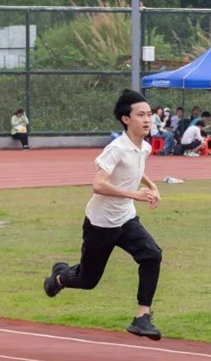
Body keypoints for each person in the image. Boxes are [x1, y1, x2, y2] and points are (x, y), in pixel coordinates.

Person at [43, 90, 163, 340]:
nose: (147, 119)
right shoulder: (115, 148)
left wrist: (152, 186)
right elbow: (98, 185)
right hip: (100, 224)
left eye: (149, 114)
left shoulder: (144, 147)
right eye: (140, 115)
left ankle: (142, 318)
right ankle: (59, 277)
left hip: (126, 219)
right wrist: (135, 194)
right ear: (125, 119)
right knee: (88, 280)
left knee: (152, 255)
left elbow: (134, 168)